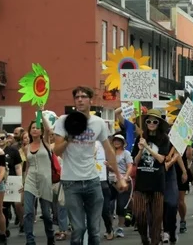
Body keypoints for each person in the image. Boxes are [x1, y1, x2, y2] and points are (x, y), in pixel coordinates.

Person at [53, 86, 126, 245]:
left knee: (94, 229)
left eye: (83, 96)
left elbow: (108, 150)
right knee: (78, 229)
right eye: (77, 97)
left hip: (93, 181)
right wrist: (69, 138)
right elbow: (57, 151)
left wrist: (119, 177)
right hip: (71, 182)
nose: (80, 99)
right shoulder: (63, 121)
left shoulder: (98, 123)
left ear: (90, 100)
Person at [131, 109, 170, 245]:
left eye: (155, 121)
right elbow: (135, 161)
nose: (151, 123)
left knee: (156, 218)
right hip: (141, 183)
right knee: (139, 215)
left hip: (157, 183)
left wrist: (147, 147)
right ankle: (143, 237)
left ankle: (155, 242)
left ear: (159, 123)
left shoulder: (164, 139)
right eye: (149, 121)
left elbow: (161, 159)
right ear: (145, 123)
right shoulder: (140, 138)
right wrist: (141, 149)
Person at [22, 112, 55, 245]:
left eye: (37, 127)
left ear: (41, 131)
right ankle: (30, 241)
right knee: (28, 212)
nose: (35, 129)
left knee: (46, 214)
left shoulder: (46, 142)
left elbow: (49, 129)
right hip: (30, 180)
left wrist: (40, 113)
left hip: (45, 180)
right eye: (32, 128)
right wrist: (23, 182)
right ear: (29, 131)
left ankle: (50, 236)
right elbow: (27, 166)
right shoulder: (26, 148)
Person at [108, 134, 133, 238]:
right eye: (115, 140)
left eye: (119, 141)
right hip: (109, 181)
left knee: (121, 206)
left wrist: (125, 177)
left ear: (123, 143)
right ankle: (109, 228)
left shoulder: (126, 153)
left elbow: (130, 166)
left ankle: (120, 228)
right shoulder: (108, 153)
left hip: (122, 181)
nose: (116, 142)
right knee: (108, 206)